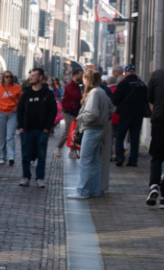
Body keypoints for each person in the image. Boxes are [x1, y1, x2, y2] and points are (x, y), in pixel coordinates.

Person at [68, 69, 114, 199]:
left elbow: (92, 114)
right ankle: (95, 190)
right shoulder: (102, 92)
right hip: (98, 129)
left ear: (87, 79)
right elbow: (111, 110)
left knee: (85, 161)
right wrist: (103, 118)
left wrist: (81, 117)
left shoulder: (94, 93)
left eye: (84, 78)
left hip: (91, 129)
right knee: (94, 161)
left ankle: (83, 191)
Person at [16, 67, 58, 187]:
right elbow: (20, 110)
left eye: (34, 75)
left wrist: (47, 127)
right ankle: (25, 177)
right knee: (26, 155)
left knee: (41, 155)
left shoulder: (48, 93)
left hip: (42, 130)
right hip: (27, 130)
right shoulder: (26, 93)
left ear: (41, 78)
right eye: (31, 75)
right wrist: (21, 126)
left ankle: (40, 178)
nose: (31, 77)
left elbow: (53, 111)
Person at [147, 53, 164, 207]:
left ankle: (154, 185)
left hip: (159, 122)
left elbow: (150, 98)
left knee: (157, 156)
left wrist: (157, 111)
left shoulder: (158, 74)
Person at [112, 64, 146, 168]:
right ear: (134, 72)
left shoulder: (123, 83)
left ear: (125, 73)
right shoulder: (142, 84)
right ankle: (133, 160)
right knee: (134, 137)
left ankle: (120, 157)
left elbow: (115, 99)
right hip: (138, 115)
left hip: (125, 114)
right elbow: (147, 98)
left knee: (120, 135)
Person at [0, 71, 22, 165]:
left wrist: (17, 106)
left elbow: (21, 99)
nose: (9, 78)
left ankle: (11, 156)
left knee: (10, 135)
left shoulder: (17, 87)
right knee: (1, 136)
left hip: (12, 114)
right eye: (7, 76)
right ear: (3, 78)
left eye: (10, 76)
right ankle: (3, 156)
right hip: (0, 113)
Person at [57, 67, 84, 159]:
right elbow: (76, 96)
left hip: (73, 110)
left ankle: (72, 151)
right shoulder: (70, 85)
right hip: (68, 111)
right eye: (80, 75)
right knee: (69, 130)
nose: (81, 77)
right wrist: (83, 95)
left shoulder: (76, 85)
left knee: (73, 131)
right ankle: (58, 148)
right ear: (74, 75)